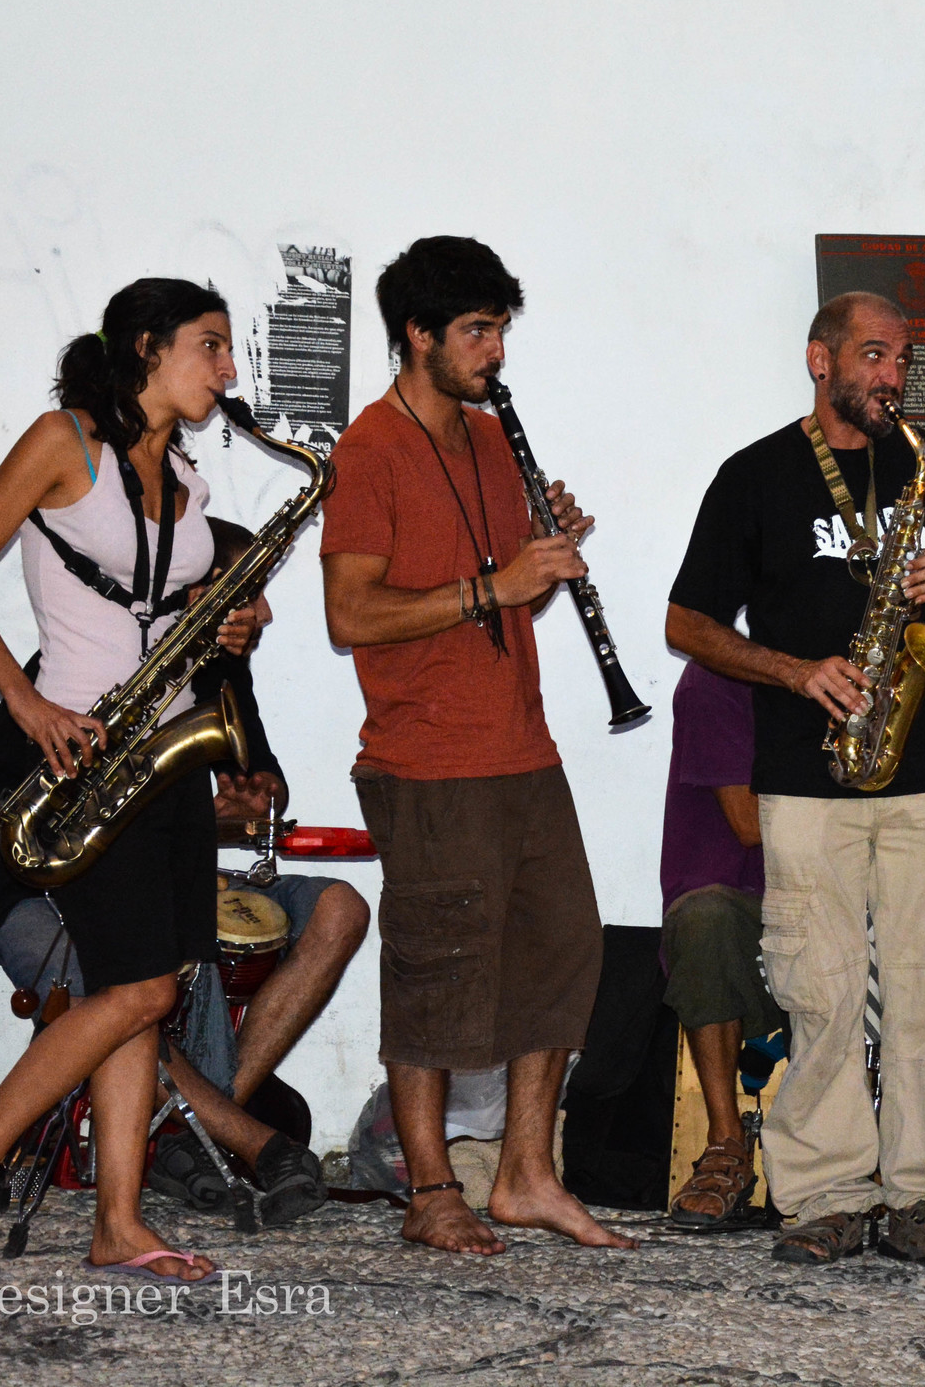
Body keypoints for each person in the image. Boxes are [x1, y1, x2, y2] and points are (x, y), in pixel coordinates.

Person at [0, 279, 268, 1280]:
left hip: (168, 755)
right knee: (138, 986)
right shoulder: (65, 440)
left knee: (141, 993)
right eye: (211, 344)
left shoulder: (185, 479)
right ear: (146, 344)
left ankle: (118, 1220)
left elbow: (173, 609)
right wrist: (27, 706)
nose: (228, 368)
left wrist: (227, 620)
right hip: (80, 758)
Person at [666, 290, 925, 1273]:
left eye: (900, 357)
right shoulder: (755, 475)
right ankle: (824, 1193)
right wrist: (794, 670)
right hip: (807, 775)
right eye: (871, 354)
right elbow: (686, 622)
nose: (890, 374)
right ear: (820, 359)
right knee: (817, 990)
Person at [319, 236, 630, 1257]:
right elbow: (352, 610)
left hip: (520, 746)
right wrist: (494, 586)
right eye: (477, 331)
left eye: (499, 329)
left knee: (561, 951)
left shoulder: (492, 441)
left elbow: (504, 576)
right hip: (426, 759)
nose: (496, 350)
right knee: (436, 976)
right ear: (418, 335)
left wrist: (543, 547)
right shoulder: (371, 449)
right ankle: (430, 1187)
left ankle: (527, 1173)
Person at [0, 549, 370, 1227]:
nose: (266, 612)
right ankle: (247, 1138)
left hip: (174, 885)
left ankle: (181, 1135)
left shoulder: (219, 673)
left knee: (340, 907)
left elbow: (259, 780)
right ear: (196, 591)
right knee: (129, 983)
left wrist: (251, 800)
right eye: (250, 595)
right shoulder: (73, 661)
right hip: (43, 902)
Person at [655, 661, 786, 1229]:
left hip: (828, 894)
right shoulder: (718, 678)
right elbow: (751, 824)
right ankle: (726, 1143)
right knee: (705, 922)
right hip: (740, 904)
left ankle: (917, 1152)